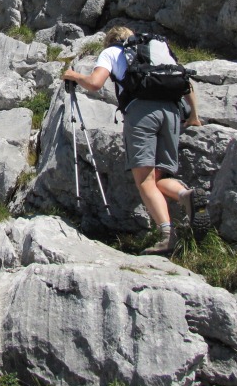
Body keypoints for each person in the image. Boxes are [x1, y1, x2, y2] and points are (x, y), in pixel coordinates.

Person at [62, 26, 205, 254]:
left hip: (141, 113)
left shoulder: (111, 52)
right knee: (159, 177)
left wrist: (74, 76)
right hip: (172, 111)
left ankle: (167, 236)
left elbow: (95, 83)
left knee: (145, 180)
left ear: (110, 41)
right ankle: (186, 195)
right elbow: (185, 81)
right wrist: (194, 116)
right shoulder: (156, 50)